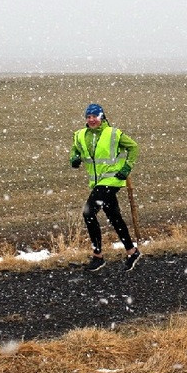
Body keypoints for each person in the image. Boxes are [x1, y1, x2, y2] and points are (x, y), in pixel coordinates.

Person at [70, 103, 142, 272]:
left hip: (112, 180)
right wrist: (74, 158)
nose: (91, 119)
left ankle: (98, 256)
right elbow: (75, 151)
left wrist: (126, 169)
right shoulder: (80, 135)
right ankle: (132, 251)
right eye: (88, 117)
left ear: (101, 117)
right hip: (97, 182)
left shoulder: (113, 133)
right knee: (114, 216)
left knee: (88, 212)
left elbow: (133, 147)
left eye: (94, 116)